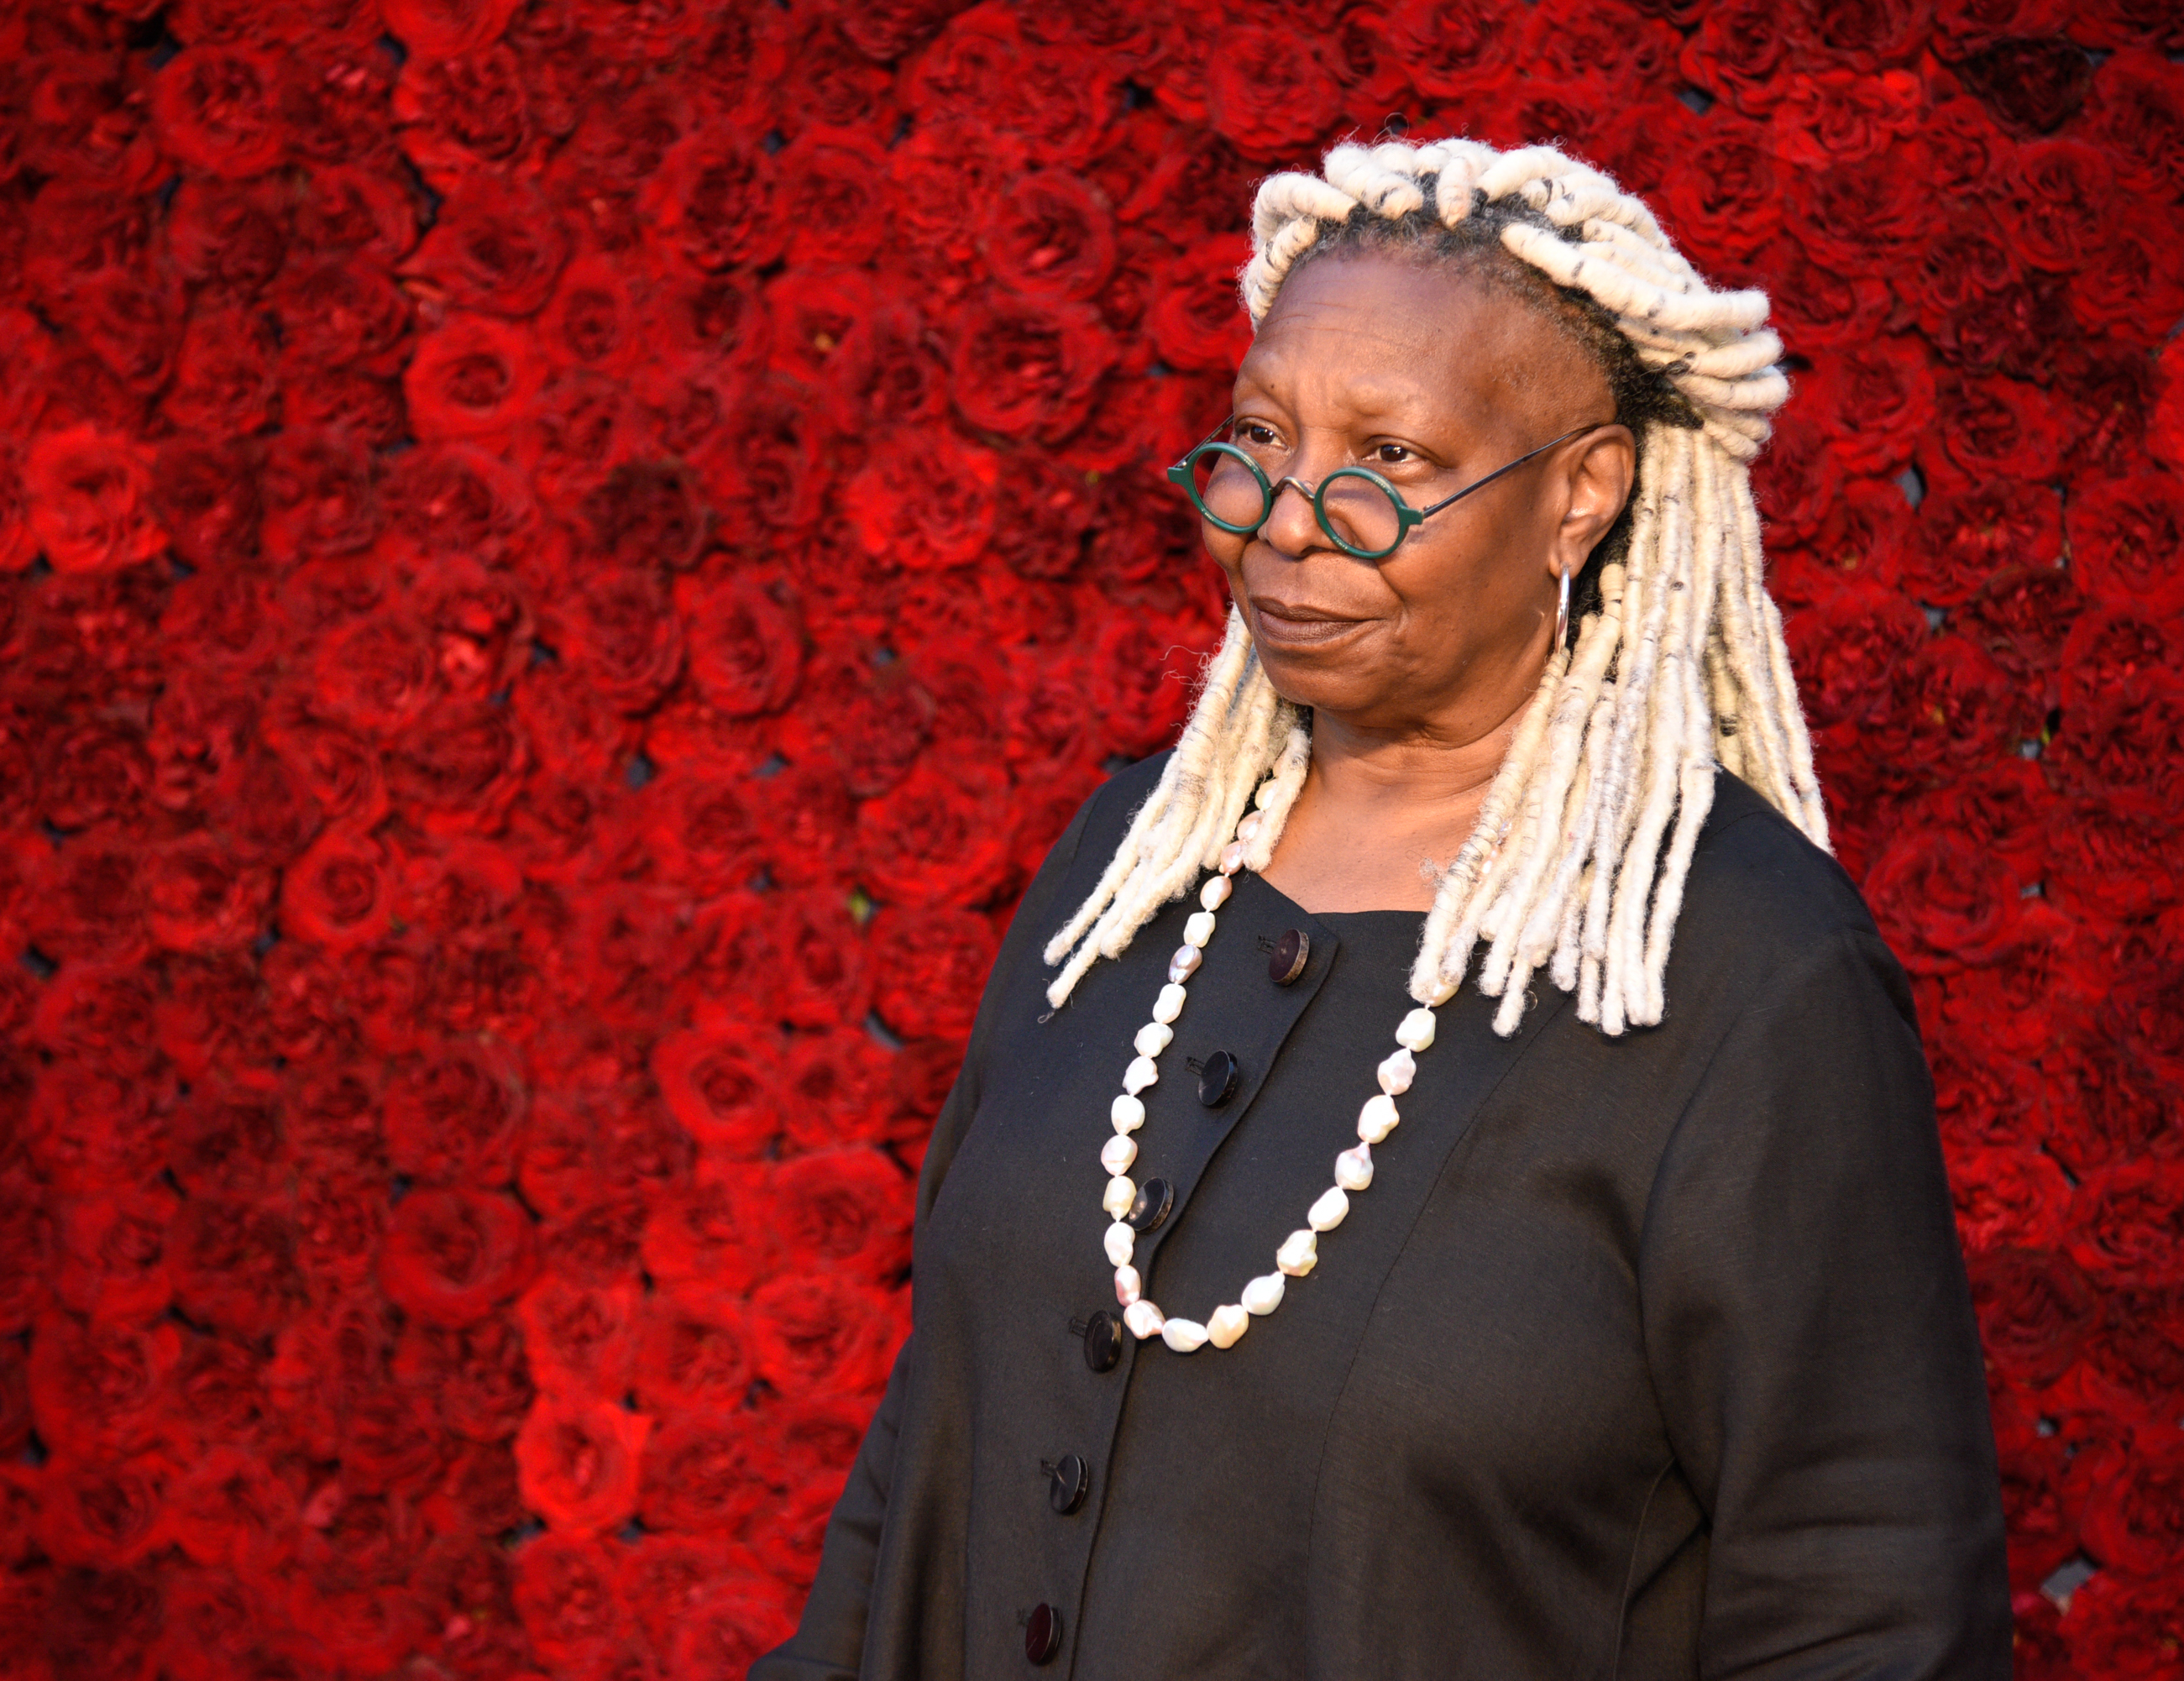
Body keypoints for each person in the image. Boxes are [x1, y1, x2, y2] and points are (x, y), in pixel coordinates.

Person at [752, 137, 2009, 1680]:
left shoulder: (1744, 974)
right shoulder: (1129, 867)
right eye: (1256, 439)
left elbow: (1861, 1597)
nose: (1284, 521)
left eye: (1387, 461)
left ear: (1581, 495)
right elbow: (924, 1447)